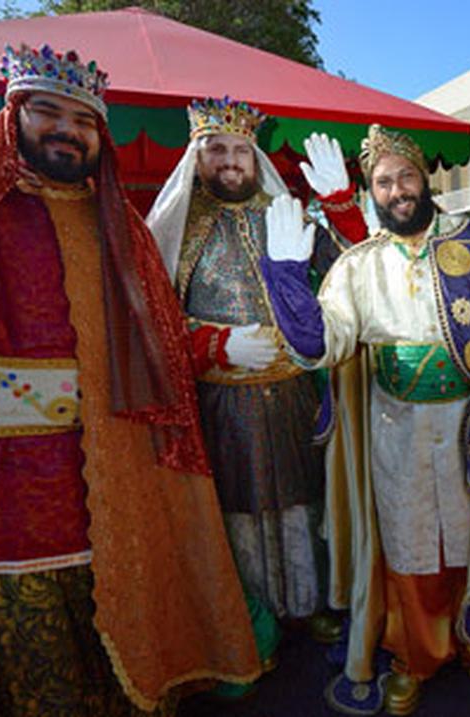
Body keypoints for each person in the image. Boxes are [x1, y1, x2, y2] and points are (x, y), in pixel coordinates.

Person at [0, 52, 261, 715]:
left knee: (120, 657)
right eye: (48, 110)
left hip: (116, 475)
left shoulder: (121, 224)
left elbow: (158, 341)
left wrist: (220, 344)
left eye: (84, 120)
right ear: (13, 115)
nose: (67, 131)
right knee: (29, 670)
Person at [260, 125, 470, 714]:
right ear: (371, 192)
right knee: (412, 548)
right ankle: (413, 657)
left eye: (406, 177)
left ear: (425, 179)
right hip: (398, 433)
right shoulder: (357, 266)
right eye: (383, 182)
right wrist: (288, 279)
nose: (398, 191)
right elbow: (326, 343)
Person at [146, 97, 369, 660]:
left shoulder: (285, 213)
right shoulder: (173, 229)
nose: (229, 161)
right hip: (219, 399)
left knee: (305, 498)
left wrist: (341, 205)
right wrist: (212, 344)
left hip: (294, 392)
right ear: (197, 158)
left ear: (254, 156)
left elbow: (360, 268)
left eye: (239, 150)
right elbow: (149, 322)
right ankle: (249, 617)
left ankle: (312, 604)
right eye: (216, 149)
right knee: (236, 508)